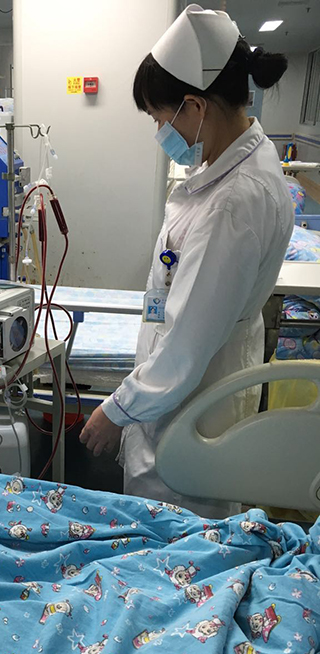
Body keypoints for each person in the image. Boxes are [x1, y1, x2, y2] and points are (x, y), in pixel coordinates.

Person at [79, 4, 293, 519]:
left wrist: (117, 410)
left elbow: (186, 346)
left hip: (189, 404)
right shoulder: (232, 168)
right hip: (189, 391)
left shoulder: (234, 203)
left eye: (160, 118)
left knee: (179, 532)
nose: (160, 130)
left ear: (195, 106)